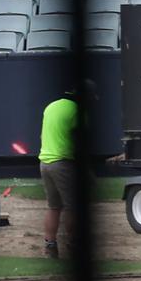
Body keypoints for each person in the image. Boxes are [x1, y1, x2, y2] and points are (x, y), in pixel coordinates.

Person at [38, 80, 96, 258]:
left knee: (53, 207)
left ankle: (50, 246)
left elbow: (41, 135)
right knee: (73, 207)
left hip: (45, 162)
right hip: (63, 163)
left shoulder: (51, 107)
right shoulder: (78, 111)